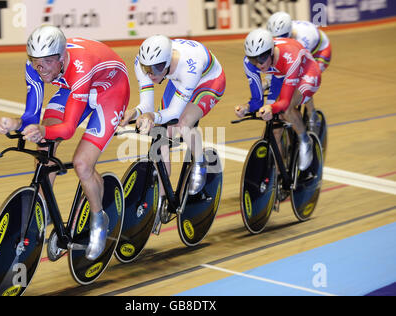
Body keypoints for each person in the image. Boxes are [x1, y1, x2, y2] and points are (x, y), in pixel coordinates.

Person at [0, 25, 130, 260]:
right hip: (73, 88)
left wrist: (42, 129)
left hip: (110, 90)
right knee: (44, 147)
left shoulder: (80, 66)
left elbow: (67, 129)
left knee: (82, 164)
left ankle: (99, 219)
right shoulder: (35, 67)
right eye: (36, 61)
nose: (41, 68)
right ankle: (47, 212)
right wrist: (15, 122)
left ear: (61, 56)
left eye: (47, 61)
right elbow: (31, 115)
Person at [120, 34, 226, 222]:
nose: (151, 74)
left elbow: (175, 113)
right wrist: (134, 113)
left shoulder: (188, 68)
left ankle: (200, 164)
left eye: (156, 68)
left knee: (183, 123)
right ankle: (163, 191)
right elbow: (146, 106)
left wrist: (152, 116)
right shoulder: (142, 63)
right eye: (147, 69)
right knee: (161, 131)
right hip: (177, 79)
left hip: (208, 80)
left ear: (167, 61)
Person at [234, 28, 322, 171]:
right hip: (281, 73)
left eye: (261, 58)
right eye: (253, 59)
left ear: (271, 51)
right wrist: (245, 108)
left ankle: (305, 141)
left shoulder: (290, 56)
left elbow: (285, 102)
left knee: (285, 110)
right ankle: (280, 178)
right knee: (274, 129)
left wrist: (272, 108)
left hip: (307, 73)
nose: (258, 64)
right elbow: (257, 101)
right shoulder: (250, 63)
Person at [267, 11, 331, 129]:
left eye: (282, 36)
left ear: (290, 33)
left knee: (303, 79)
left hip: (320, 52)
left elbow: (298, 70)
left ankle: (312, 113)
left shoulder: (302, 40)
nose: (279, 40)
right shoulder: (284, 35)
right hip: (303, 50)